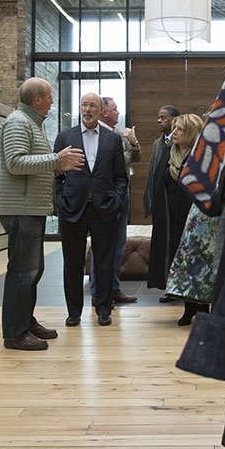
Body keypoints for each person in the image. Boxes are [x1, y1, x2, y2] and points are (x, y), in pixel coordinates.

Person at [0, 77, 84, 351]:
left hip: (29, 208)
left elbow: (31, 162)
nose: (53, 101)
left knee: (33, 269)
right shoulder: (19, 123)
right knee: (23, 271)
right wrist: (57, 160)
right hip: (20, 209)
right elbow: (16, 163)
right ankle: (15, 332)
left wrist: (58, 166)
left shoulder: (30, 124)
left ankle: (25, 321)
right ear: (37, 99)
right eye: (49, 97)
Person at [54, 92, 128, 327]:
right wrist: (60, 201)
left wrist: (115, 200)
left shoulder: (112, 139)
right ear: (80, 108)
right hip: (72, 209)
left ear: (100, 110)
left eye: (92, 105)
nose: (88, 109)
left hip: (104, 209)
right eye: (84, 105)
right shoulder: (65, 137)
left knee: (104, 262)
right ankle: (74, 312)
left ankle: (104, 310)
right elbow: (56, 174)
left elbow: (120, 177)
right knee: (72, 263)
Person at [89, 96, 140, 305]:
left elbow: (133, 157)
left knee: (119, 244)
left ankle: (114, 289)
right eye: (115, 109)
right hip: (105, 197)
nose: (119, 113)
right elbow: (113, 161)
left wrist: (134, 142)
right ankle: (98, 293)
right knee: (102, 245)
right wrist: (126, 152)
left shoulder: (119, 134)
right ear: (104, 112)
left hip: (122, 194)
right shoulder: (95, 135)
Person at [147, 113, 204, 300]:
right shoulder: (166, 152)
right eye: (174, 128)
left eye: (179, 129)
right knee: (169, 249)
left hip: (192, 213)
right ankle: (172, 288)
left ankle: (192, 295)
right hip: (168, 212)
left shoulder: (200, 155)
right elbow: (157, 180)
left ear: (191, 131)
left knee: (191, 252)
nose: (174, 132)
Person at [143, 105, 180, 218]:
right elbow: (152, 172)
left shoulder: (180, 142)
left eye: (163, 118)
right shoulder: (157, 144)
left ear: (174, 120)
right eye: (158, 118)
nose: (159, 121)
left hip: (175, 197)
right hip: (158, 197)